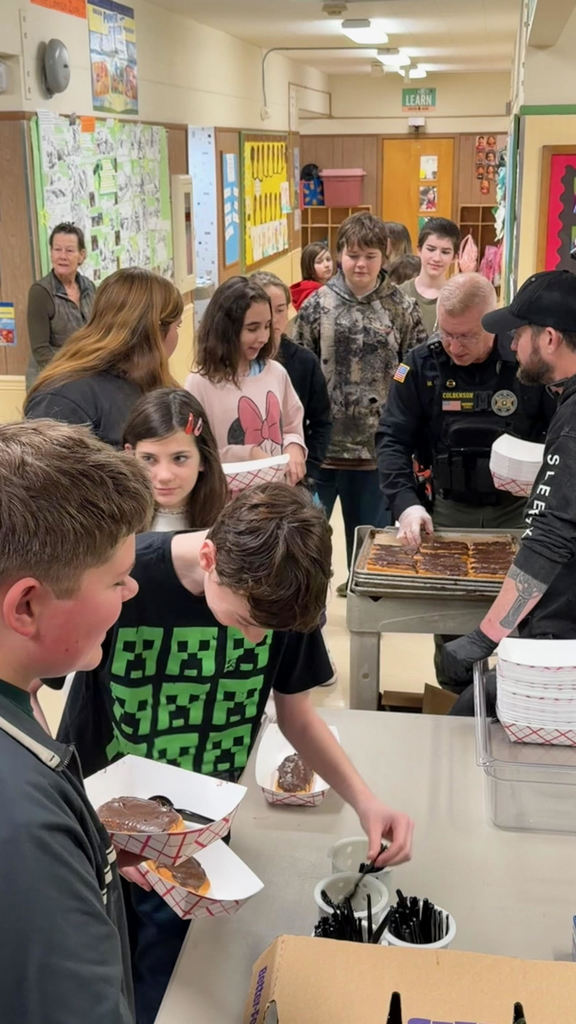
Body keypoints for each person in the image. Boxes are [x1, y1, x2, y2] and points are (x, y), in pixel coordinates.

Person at [53, 482, 414, 1022]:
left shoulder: (284, 598)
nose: (252, 641)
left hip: (194, 835)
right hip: (92, 820)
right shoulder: (122, 579)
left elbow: (295, 717)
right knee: (93, 969)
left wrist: (365, 802)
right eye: (245, 620)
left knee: (169, 976)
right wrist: (65, 802)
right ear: (209, 557)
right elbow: (28, 688)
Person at [0, 418, 153, 1023]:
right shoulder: (26, 827)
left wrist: (92, 853)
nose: (133, 588)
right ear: (28, 606)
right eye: (116, 580)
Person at [376, 272, 554, 689]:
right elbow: (391, 439)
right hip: (448, 510)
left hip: (519, 513)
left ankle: (511, 698)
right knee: (453, 634)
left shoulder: (527, 360)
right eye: (447, 334)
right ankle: (454, 699)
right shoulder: (420, 365)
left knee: (521, 623)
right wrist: (406, 503)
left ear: (492, 324)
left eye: (466, 337)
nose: (453, 346)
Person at [439, 271, 576, 693]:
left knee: (472, 713)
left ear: (549, 338)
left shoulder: (571, 420)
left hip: (562, 630)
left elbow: (550, 538)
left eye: (519, 334)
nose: (512, 345)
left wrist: (485, 637)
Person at [293, 211, 428, 591]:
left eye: (370, 255)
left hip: (376, 453)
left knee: (369, 545)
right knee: (309, 542)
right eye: (353, 255)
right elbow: (297, 374)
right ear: (339, 256)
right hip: (321, 450)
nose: (361, 264)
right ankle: (309, 611)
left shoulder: (401, 308)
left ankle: (366, 611)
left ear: (384, 257)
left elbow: (413, 372)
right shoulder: (316, 306)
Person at [24, 267, 181, 448]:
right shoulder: (63, 397)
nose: (177, 336)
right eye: (177, 327)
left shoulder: (146, 381)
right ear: (155, 329)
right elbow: (45, 473)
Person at [185, 276, 307, 486]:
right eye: (252, 328)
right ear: (226, 329)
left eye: (267, 326)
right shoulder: (199, 384)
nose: (263, 337)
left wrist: (294, 447)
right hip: (224, 502)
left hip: (273, 499)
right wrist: (246, 455)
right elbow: (192, 451)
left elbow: (291, 427)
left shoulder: (276, 373)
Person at [250, 271, 332, 482]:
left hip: (293, 479)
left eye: (280, 310)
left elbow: (320, 422)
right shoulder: (237, 364)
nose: (274, 320)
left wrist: (308, 470)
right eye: (268, 310)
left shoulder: (304, 362)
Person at [123, 387, 228, 531]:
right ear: (130, 455)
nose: (164, 476)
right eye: (148, 459)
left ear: (203, 458)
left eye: (179, 458)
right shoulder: (112, 523)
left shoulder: (229, 522)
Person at [26, 222, 96, 388]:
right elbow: (41, 351)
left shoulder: (90, 288)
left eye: (69, 250)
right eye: (57, 249)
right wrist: (76, 372)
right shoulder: (40, 292)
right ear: (51, 253)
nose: (62, 256)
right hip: (49, 380)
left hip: (83, 377)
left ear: (82, 255)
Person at [399, 218, 461, 337]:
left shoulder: (460, 299)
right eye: (431, 249)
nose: (437, 258)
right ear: (419, 250)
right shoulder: (400, 295)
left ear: (454, 257)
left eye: (445, 252)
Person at [289, 242, 334, 312]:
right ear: (309, 267)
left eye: (328, 259)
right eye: (319, 262)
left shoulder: (331, 285)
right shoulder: (311, 294)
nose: (327, 265)